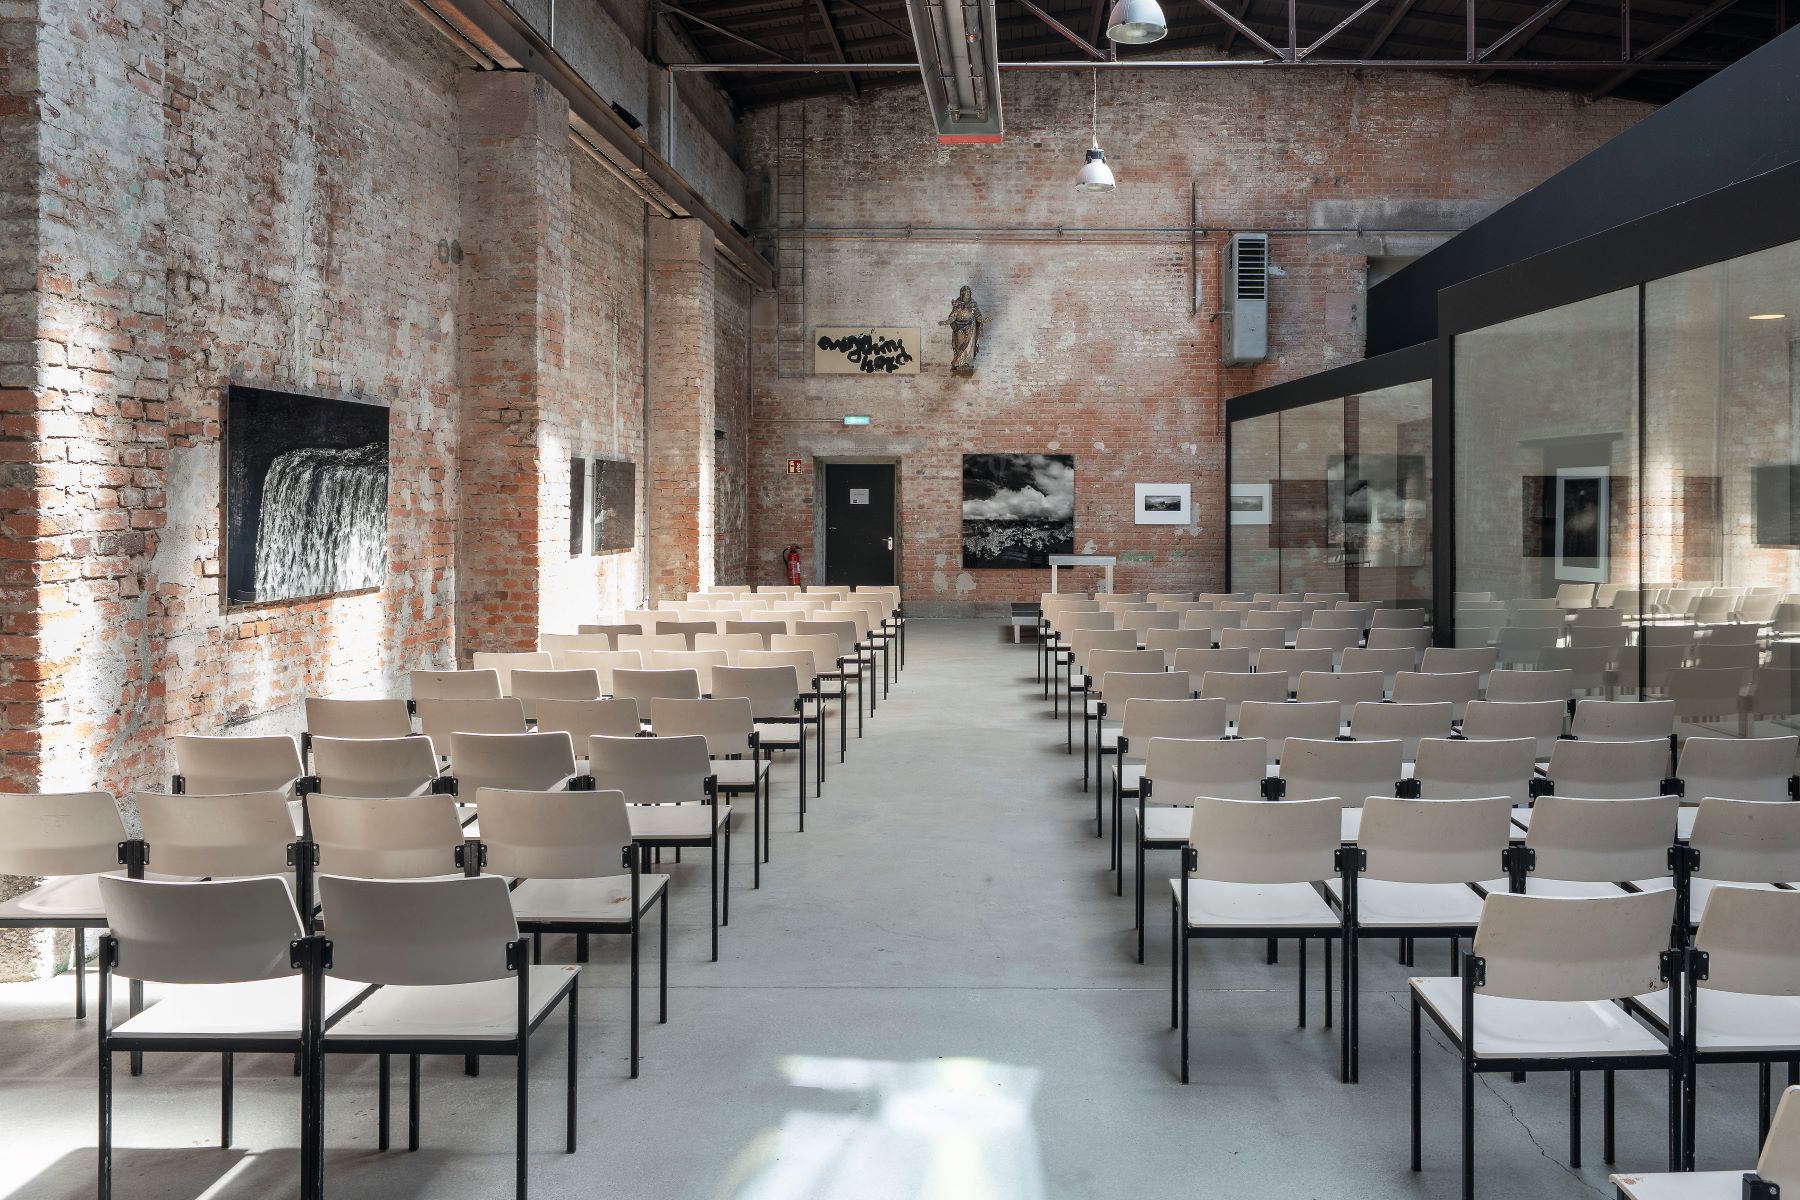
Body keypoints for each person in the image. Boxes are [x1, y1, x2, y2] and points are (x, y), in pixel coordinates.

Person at [938, 286, 987, 373]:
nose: (968, 294)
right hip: (959, 328)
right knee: (959, 345)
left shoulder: (973, 305)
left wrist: (984, 320)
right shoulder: (957, 305)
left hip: (970, 328)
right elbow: (952, 317)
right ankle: (958, 362)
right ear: (962, 294)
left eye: (969, 292)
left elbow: (978, 317)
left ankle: (967, 363)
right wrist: (945, 322)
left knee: (969, 346)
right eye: (966, 293)